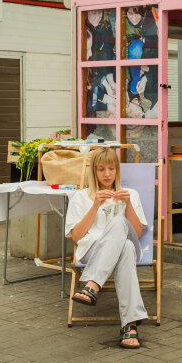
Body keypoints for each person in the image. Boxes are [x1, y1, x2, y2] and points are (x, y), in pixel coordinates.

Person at [65, 148, 148, 349]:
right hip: (92, 251)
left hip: (119, 249)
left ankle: (92, 285)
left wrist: (127, 204)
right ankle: (130, 325)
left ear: (117, 170)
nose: (107, 174)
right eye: (102, 169)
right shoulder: (80, 197)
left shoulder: (130, 195)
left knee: (123, 234)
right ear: (94, 171)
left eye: (111, 168)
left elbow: (136, 232)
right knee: (126, 247)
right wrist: (95, 206)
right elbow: (76, 237)